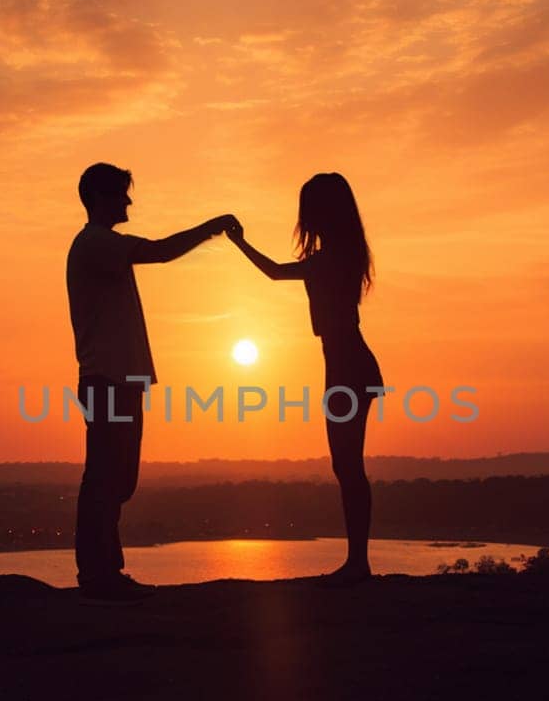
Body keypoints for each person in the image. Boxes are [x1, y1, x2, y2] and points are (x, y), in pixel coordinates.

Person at [66, 163, 236, 604]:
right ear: (101, 198)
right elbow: (159, 252)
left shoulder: (99, 245)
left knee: (119, 479)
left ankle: (105, 570)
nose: (129, 202)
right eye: (122, 195)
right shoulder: (96, 244)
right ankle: (98, 574)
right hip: (107, 381)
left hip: (120, 380)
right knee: (106, 476)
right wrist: (212, 228)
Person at [228, 173, 382, 586]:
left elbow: (277, 273)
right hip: (347, 364)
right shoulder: (343, 253)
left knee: (348, 466)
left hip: (348, 366)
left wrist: (239, 242)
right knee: (347, 465)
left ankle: (358, 563)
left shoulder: (332, 258)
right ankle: (357, 561)